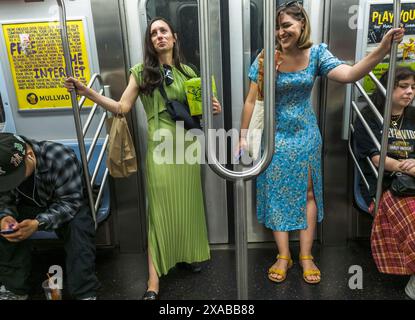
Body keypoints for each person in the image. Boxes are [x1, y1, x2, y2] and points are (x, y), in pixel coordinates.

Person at [238, 1, 404, 284]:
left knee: (308, 194)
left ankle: (306, 255)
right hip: (274, 136)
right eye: (277, 27)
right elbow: (253, 99)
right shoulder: (267, 56)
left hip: (305, 136)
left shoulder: (316, 54)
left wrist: (382, 50)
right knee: (277, 194)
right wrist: (243, 136)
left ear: (302, 24)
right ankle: (283, 254)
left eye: (287, 25)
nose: (281, 32)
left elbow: (350, 74)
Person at [65, 17, 221, 300]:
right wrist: (88, 92)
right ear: (150, 42)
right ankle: (153, 281)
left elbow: (199, 113)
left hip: (187, 146)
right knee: (159, 213)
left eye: (163, 31)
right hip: (161, 147)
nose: (159, 36)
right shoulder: (141, 72)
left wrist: (214, 108)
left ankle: (184, 256)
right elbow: (122, 107)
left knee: (187, 206)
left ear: (174, 37)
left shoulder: (189, 71)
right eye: (153, 34)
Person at [0, 133, 99, 300]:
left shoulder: (60, 157)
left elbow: (70, 202)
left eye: (18, 176)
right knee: (7, 232)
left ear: (29, 156)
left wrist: (38, 223)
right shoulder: (5, 167)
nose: (14, 183)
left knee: (78, 229)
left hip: (68, 201)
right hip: (30, 205)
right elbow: (5, 199)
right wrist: (5, 217)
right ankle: (15, 289)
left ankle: (85, 293)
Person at [354, 67, 415, 300]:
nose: (409, 92)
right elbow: (376, 158)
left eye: (413, 87)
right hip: (386, 184)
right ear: (388, 88)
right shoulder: (370, 117)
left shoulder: (414, 115)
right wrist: (404, 166)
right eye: (403, 86)